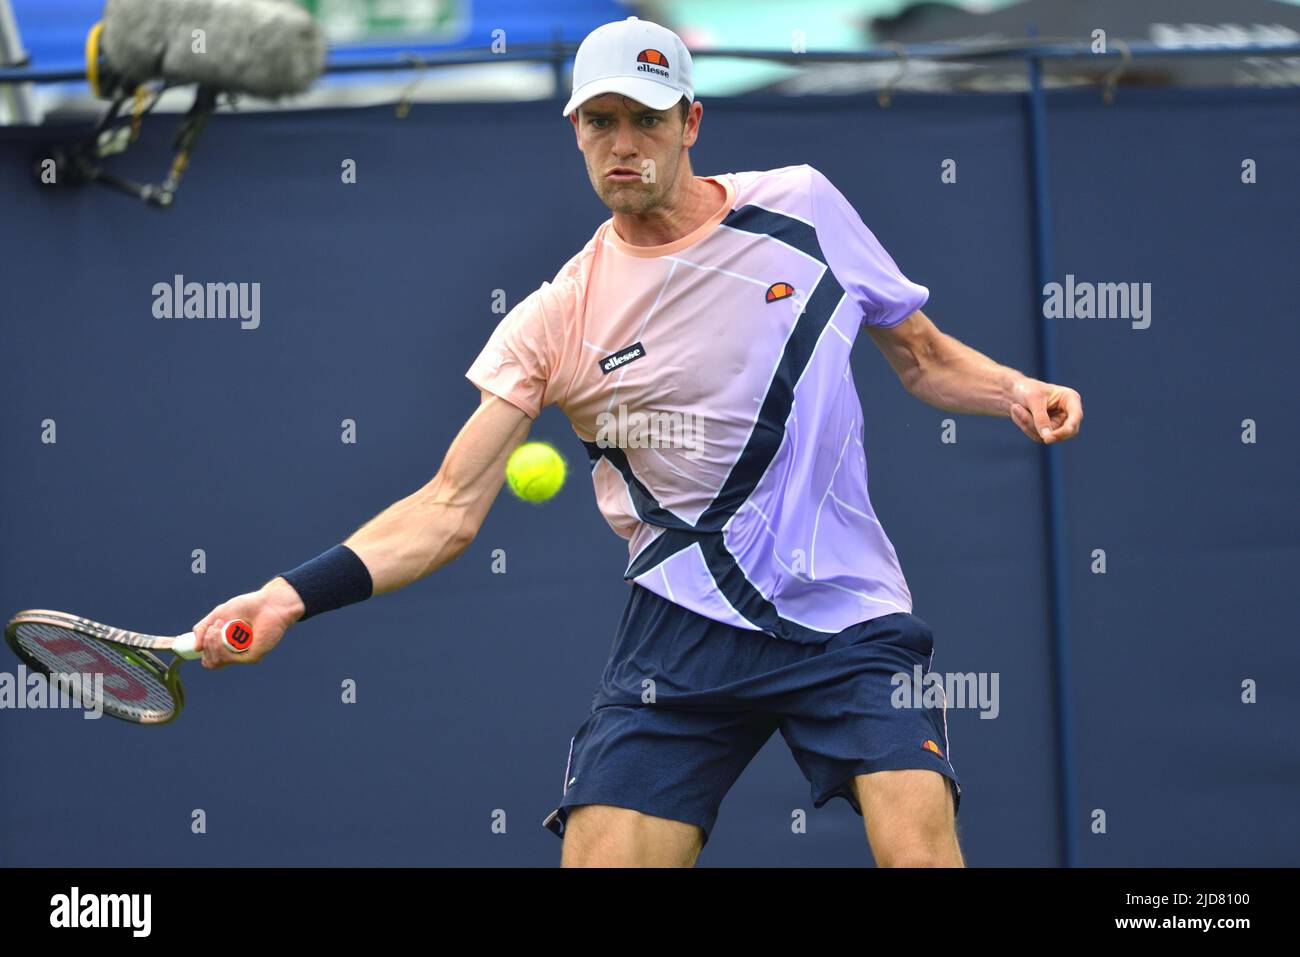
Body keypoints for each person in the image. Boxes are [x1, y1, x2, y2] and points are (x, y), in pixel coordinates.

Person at [191, 16, 1083, 867]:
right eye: (602, 121)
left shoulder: (803, 209)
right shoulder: (554, 321)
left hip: (845, 608)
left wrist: (1016, 389)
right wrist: (285, 597)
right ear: (575, 130)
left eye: (647, 120)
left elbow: (921, 357)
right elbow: (446, 510)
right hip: (680, 634)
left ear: (690, 122)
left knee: (920, 846)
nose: (624, 143)